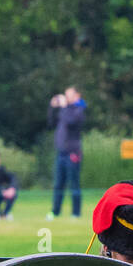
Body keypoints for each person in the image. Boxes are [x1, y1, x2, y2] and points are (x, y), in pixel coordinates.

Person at [47, 86, 85, 218]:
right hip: (61, 153)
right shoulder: (64, 111)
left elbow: (71, 122)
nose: (66, 97)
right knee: (58, 184)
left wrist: (63, 107)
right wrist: (52, 107)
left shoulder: (78, 110)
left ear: (76, 96)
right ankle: (55, 211)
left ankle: (76, 213)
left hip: (73, 153)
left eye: (68, 95)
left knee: (73, 183)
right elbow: (51, 123)